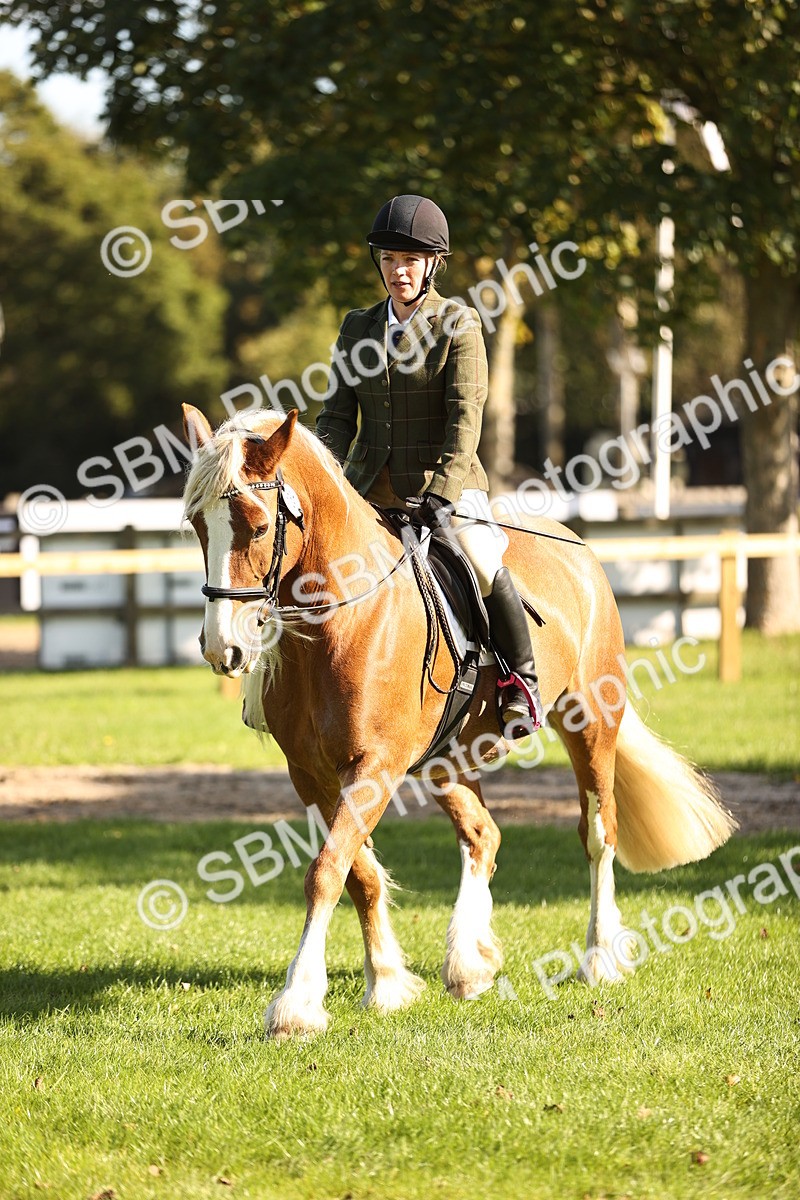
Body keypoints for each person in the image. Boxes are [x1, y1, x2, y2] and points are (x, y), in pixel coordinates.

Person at [316, 193, 542, 731]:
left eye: (410, 260)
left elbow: (466, 419)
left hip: (447, 486)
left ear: (432, 264)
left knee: (483, 557)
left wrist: (442, 488)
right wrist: (323, 475)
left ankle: (520, 680)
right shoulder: (357, 327)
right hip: (369, 488)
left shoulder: (458, 323)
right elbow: (338, 416)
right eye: (390, 259)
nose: (399, 271)